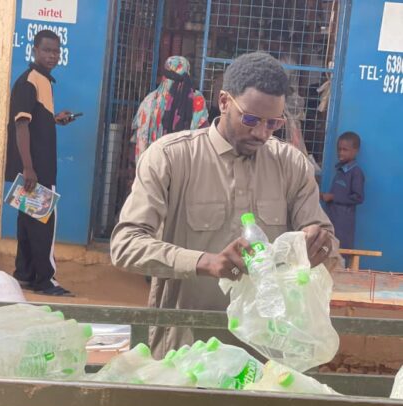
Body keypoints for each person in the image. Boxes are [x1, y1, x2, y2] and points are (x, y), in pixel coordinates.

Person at [111, 52, 341, 358]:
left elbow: (328, 244)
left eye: (273, 123)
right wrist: (205, 262)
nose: (261, 133)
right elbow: (125, 245)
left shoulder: (291, 165)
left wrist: (318, 243)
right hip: (185, 350)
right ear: (223, 102)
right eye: (251, 120)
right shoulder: (170, 158)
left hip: (266, 356)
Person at [5, 29, 75, 296]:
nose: (52, 55)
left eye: (56, 51)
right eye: (46, 50)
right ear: (35, 50)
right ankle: (45, 281)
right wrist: (28, 168)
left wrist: (54, 120)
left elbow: (35, 119)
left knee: (28, 222)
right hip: (37, 169)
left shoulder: (43, 80)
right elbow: (21, 125)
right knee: (44, 224)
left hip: (34, 168)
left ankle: (24, 275)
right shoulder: (29, 82)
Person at [131, 56, 209, 164]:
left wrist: (142, 167)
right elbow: (203, 135)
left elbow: (141, 139)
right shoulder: (196, 99)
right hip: (183, 165)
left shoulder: (150, 101)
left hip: (153, 164)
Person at [321, 132, 365, 263]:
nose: (340, 152)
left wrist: (333, 197)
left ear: (355, 151)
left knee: (342, 252)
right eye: (339, 149)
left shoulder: (356, 172)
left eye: (345, 150)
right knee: (328, 248)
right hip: (332, 217)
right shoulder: (340, 170)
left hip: (343, 222)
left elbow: (358, 197)